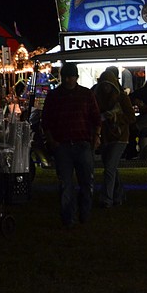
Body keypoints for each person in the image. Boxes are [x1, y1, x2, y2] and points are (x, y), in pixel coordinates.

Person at [41, 63, 101, 228]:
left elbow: (96, 118)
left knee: (86, 182)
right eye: (65, 76)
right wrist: (52, 140)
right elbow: (46, 120)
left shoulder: (86, 94)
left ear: (76, 77)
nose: (68, 80)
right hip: (63, 145)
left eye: (70, 76)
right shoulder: (54, 96)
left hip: (81, 143)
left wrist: (96, 136)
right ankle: (69, 218)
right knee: (66, 184)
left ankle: (83, 214)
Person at [94, 69, 136, 208]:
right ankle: (118, 195)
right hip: (106, 136)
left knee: (109, 168)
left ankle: (107, 199)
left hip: (120, 137)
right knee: (111, 168)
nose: (106, 88)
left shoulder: (122, 97)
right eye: (104, 85)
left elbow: (131, 117)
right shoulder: (97, 97)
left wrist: (116, 117)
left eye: (108, 85)